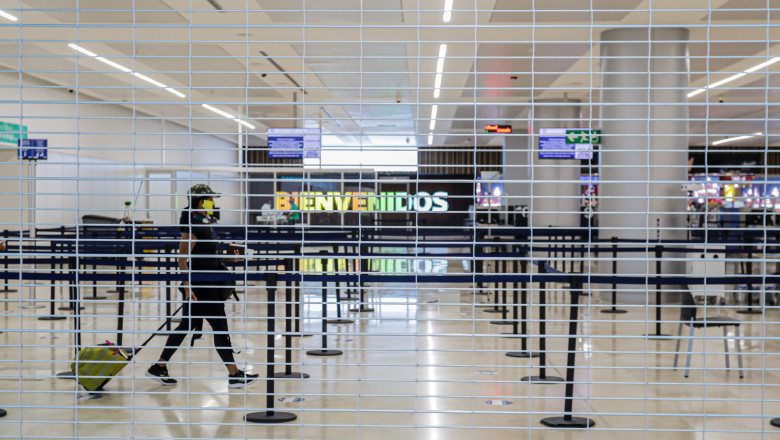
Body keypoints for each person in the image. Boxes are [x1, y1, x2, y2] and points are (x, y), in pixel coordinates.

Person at [146, 184, 258, 388]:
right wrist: (188, 288)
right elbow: (182, 259)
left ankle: (159, 366)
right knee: (219, 326)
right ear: (200, 201)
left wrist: (228, 258)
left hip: (206, 283)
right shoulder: (193, 226)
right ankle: (234, 375)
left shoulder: (203, 223)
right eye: (210, 199)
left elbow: (206, 255)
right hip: (202, 287)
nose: (213, 203)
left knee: (186, 325)